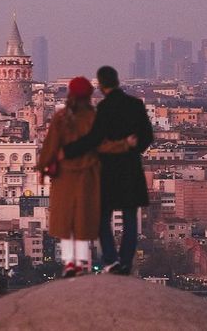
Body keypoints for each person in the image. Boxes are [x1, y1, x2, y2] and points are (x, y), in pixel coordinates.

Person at [38, 76, 136, 278]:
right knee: (83, 219)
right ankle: (81, 263)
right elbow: (104, 144)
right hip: (88, 176)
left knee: (66, 221)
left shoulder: (62, 117)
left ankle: (69, 264)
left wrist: (42, 167)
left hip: (64, 176)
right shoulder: (94, 118)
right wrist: (124, 144)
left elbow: (50, 145)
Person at [62, 66, 153, 276]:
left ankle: (111, 260)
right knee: (130, 218)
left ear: (101, 86)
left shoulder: (104, 107)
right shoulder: (135, 104)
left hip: (109, 170)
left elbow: (94, 139)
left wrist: (69, 150)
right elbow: (147, 136)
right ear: (117, 81)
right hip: (130, 169)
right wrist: (133, 148)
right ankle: (126, 263)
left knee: (102, 217)